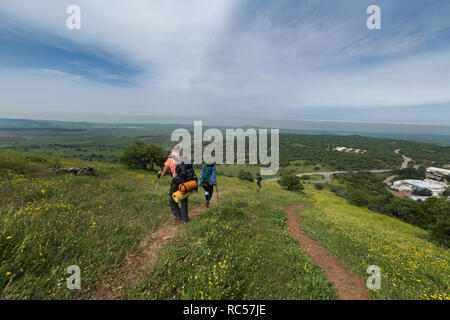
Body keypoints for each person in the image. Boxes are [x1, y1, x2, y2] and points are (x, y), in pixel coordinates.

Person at [158, 146, 192, 224]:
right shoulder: (185, 157)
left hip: (176, 182)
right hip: (186, 182)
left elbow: (164, 173)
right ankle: (185, 219)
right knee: (184, 200)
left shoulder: (170, 159)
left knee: (172, 199)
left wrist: (160, 172)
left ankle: (178, 216)